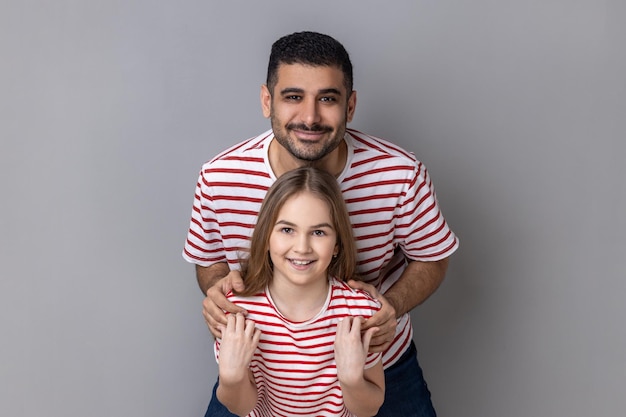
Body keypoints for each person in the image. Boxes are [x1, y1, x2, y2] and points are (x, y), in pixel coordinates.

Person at [183, 31, 459, 416]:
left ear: (350, 106)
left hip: (372, 360)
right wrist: (217, 293)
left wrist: (388, 309)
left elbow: (433, 257)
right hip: (263, 370)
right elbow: (208, 259)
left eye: (328, 99)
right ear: (268, 101)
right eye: (293, 97)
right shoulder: (220, 177)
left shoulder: (400, 174)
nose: (310, 117)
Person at [215, 166, 385, 417]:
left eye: (318, 232)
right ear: (267, 238)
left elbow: (369, 408)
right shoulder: (238, 310)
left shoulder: (360, 312)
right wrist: (231, 378)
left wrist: (352, 381)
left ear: (336, 244)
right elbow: (242, 407)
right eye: (287, 230)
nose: (302, 247)